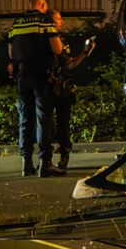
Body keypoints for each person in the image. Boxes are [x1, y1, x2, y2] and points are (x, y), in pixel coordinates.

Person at [8, 0, 64, 178]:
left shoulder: (16, 24)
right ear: (43, 5)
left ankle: (26, 164)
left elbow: (11, 53)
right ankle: (45, 164)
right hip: (41, 76)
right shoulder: (45, 21)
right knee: (43, 120)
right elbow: (57, 49)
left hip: (22, 76)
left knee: (25, 121)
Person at [47, 11, 95, 170]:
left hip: (47, 85)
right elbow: (68, 65)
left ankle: (47, 159)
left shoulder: (42, 38)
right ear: (51, 21)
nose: (62, 22)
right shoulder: (58, 40)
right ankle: (63, 155)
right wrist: (84, 53)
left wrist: (83, 54)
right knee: (62, 123)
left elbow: (68, 63)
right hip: (59, 87)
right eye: (58, 19)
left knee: (47, 123)